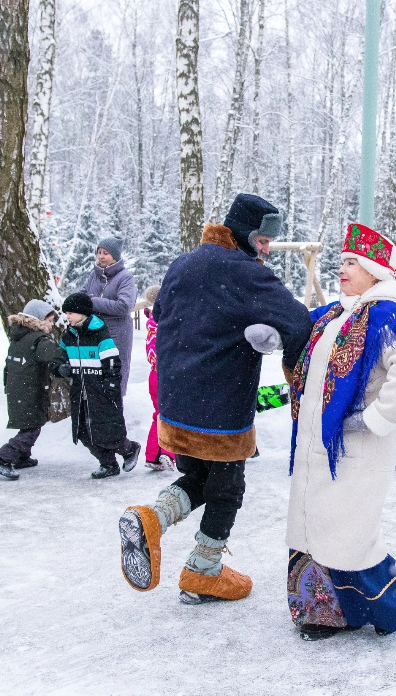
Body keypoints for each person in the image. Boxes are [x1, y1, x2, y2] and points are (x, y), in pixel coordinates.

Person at [118, 193, 312, 605]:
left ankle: (152, 521)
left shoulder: (182, 264)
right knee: (227, 488)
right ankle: (202, 572)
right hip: (220, 406)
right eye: (261, 239)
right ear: (243, 231)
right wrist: (295, 376)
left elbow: (163, 317)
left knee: (199, 479)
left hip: (175, 401)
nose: (265, 249)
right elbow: (298, 322)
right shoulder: (245, 273)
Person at [286, 223, 396, 641]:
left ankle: (389, 605)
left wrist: (375, 419)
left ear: (376, 271)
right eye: (343, 260)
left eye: (353, 262)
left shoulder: (386, 315)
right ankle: (321, 612)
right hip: (322, 447)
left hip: (357, 451)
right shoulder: (338, 313)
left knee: (346, 536)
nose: (343, 268)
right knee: (315, 529)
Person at [57, 292, 141, 479]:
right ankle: (108, 464)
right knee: (82, 432)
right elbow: (57, 359)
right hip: (80, 393)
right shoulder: (68, 337)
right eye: (66, 313)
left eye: (71, 312)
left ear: (83, 313)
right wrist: (59, 368)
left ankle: (129, 449)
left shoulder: (100, 334)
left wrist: (109, 386)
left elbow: (112, 363)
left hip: (101, 392)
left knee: (107, 431)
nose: (67, 316)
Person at [0, 299, 67, 480]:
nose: (52, 324)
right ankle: (3, 458)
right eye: (50, 320)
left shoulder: (19, 336)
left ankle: (22, 457)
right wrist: (66, 354)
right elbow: (53, 354)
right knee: (32, 428)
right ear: (39, 319)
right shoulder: (38, 339)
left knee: (29, 423)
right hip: (30, 390)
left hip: (17, 389)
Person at [82, 236, 136, 396]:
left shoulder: (125, 277)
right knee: (95, 374)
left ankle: (115, 411)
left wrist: (93, 302)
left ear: (115, 256)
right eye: (99, 252)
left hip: (117, 333)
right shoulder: (94, 275)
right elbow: (82, 294)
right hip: (94, 331)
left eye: (105, 253)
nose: (101, 256)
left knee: (114, 373)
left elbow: (124, 306)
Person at [138, 285, 176, 472]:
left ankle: (152, 455)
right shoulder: (168, 323)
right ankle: (168, 453)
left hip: (154, 374)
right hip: (169, 374)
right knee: (173, 414)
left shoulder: (152, 323)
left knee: (159, 414)